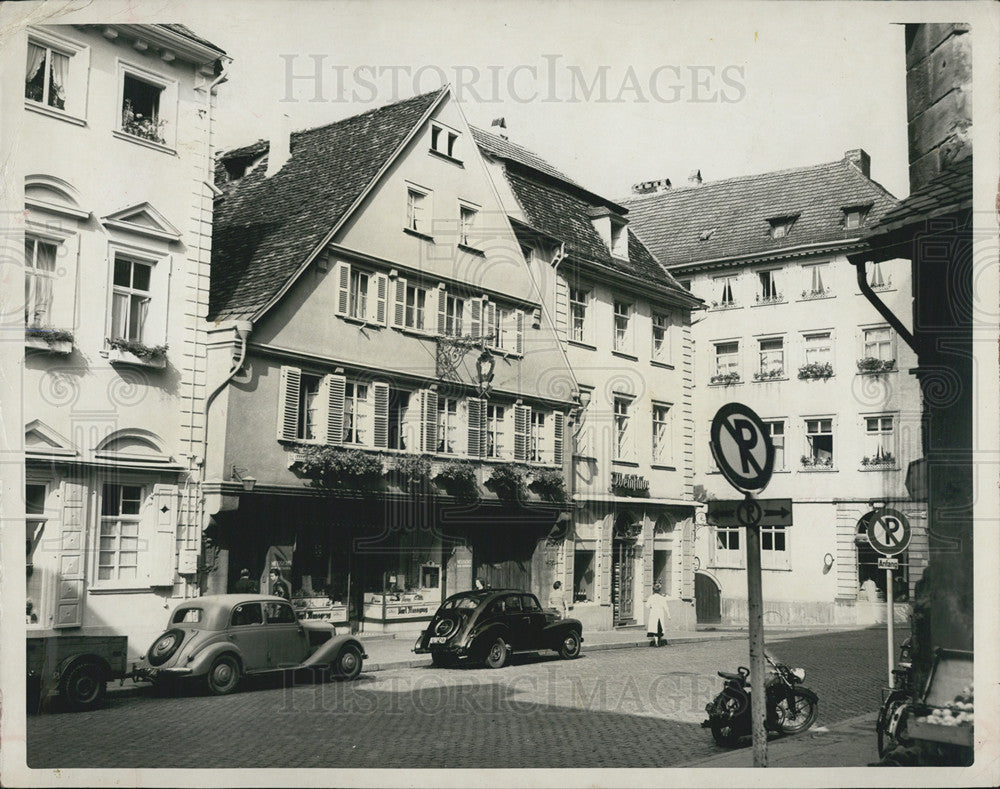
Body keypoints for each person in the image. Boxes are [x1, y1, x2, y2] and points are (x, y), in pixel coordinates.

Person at [645, 582, 671, 647]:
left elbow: (647, 606)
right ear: (659, 590)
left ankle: (656, 642)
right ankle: (658, 641)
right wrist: (668, 615)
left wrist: (651, 606)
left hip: (653, 613)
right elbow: (666, 607)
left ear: (653, 590)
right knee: (659, 627)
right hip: (660, 613)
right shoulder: (662, 598)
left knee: (654, 628)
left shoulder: (651, 597)